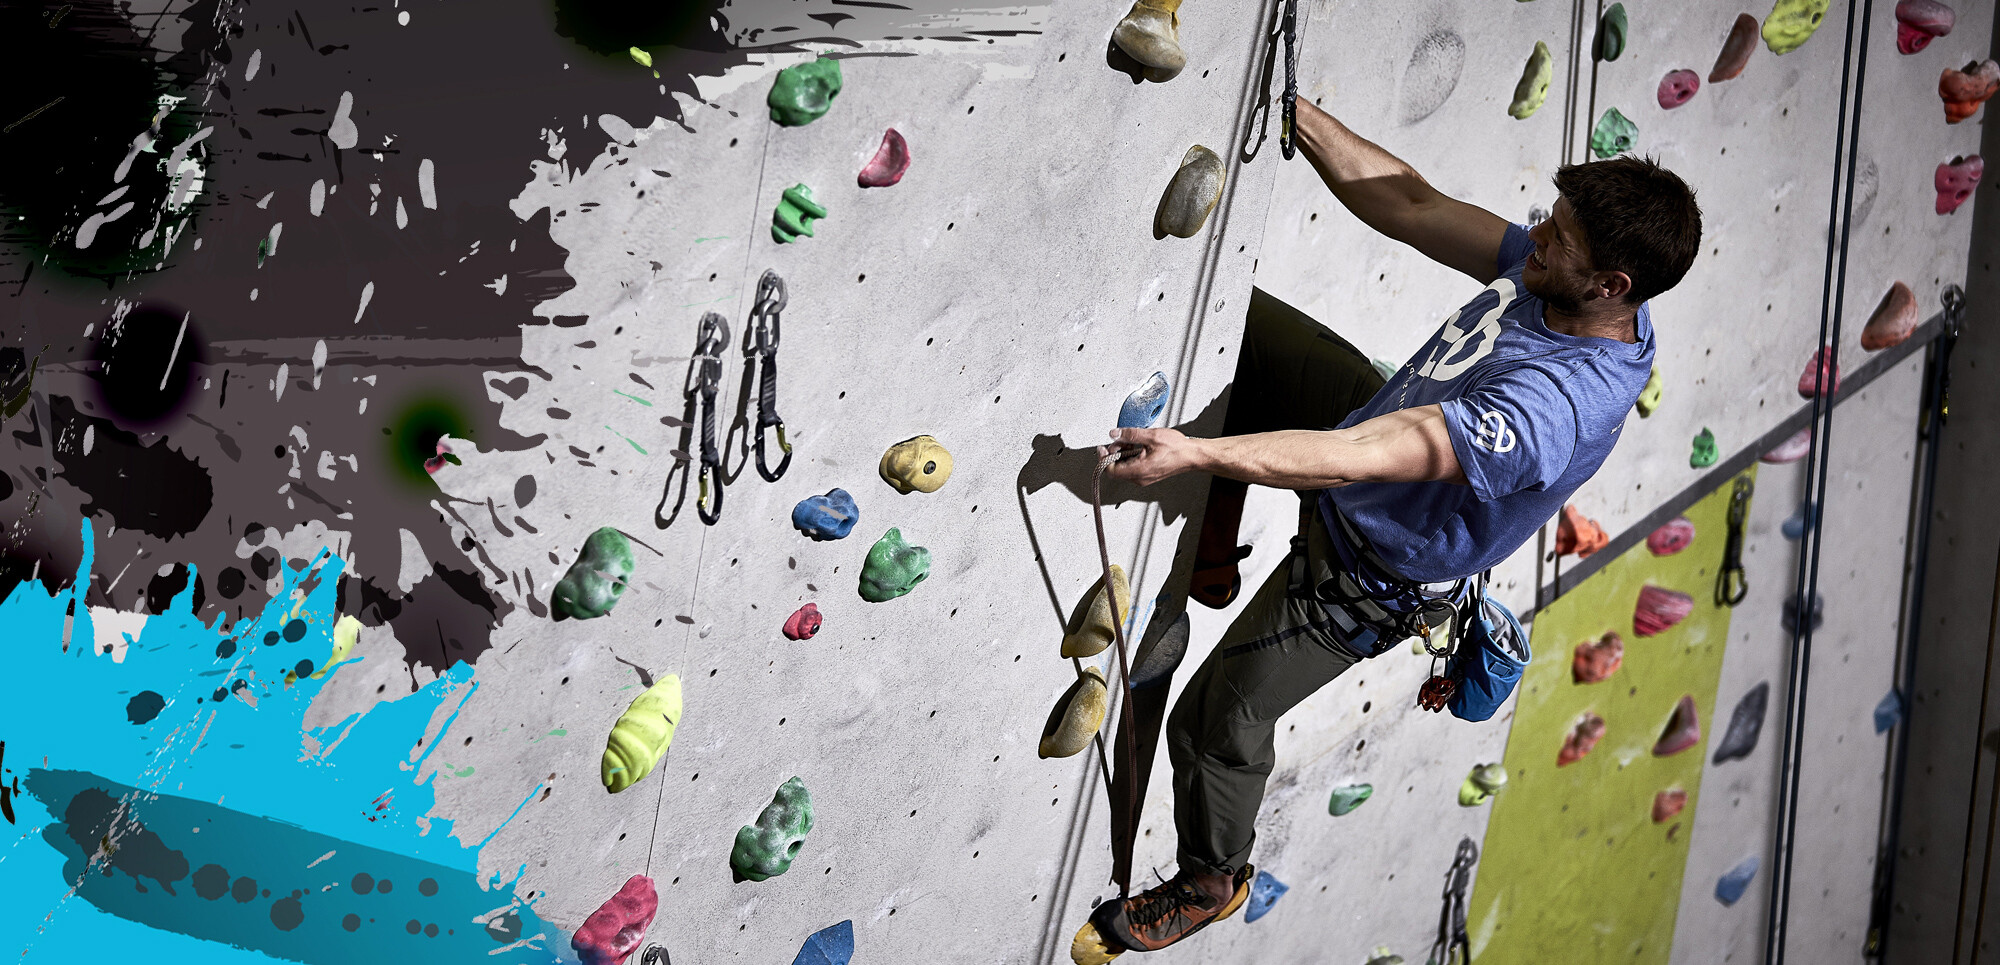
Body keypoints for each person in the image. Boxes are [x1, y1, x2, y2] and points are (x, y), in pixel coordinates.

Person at [1090, 94, 1702, 953]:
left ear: (1612, 285)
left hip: (1367, 570)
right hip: (1367, 441)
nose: (1537, 236)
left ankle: (1211, 878)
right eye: (1551, 220)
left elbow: (1369, 454)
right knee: (1242, 323)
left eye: (1558, 237)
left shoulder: (1553, 408)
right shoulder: (1565, 279)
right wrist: (1297, 110)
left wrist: (1194, 455)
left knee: (1215, 724)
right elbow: (1411, 203)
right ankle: (1218, 548)